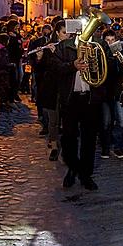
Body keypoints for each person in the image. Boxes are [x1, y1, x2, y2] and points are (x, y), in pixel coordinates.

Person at [49, 29, 109, 190]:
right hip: (71, 98)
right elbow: (55, 68)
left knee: (89, 138)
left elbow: (109, 67)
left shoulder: (99, 45)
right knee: (68, 137)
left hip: (91, 98)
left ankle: (85, 174)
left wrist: (95, 65)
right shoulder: (64, 46)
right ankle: (73, 168)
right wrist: (72, 65)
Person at [40, 20, 69, 161]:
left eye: (68, 32)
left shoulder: (70, 47)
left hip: (66, 88)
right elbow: (46, 69)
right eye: (64, 32)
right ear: (57, 33)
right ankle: (54, 146)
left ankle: (66, 147)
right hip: (52, 88)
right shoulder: (49, 47)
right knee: (53, 120)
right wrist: (42, 56)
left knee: (66, 120)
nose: (67, 35)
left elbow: (68, 66)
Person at [100, 28, 123, 159]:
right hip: (105, 92)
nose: (110, 43)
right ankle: (105, 147)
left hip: (118, 91)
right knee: (106, 121)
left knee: (121, 121)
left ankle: (118, 147)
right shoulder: (100, 54)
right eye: (108, 40)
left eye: (113, 40)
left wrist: (120, 58)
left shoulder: (121, 53)